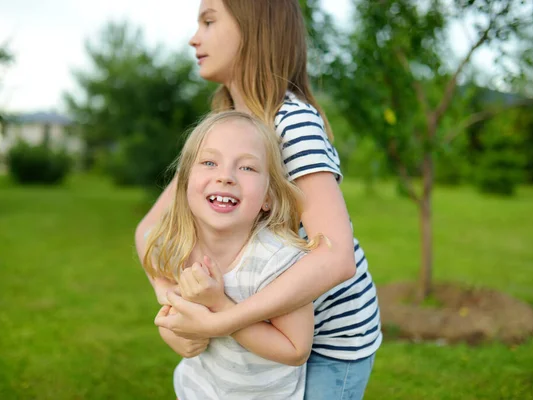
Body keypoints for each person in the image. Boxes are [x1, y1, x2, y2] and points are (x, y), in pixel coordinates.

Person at [135, 1, 382, 398]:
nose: (194, 37)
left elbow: (334, 256)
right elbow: (149, 230)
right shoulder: (228, 127)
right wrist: (175, 308)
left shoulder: (292, 123)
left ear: (255, 29)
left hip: (328, 342)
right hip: (256, 326)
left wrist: (218, 320)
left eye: (209, 21)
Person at [143, 110, 318, 399]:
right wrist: (170, 329)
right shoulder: (179, 243)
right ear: (185, 182)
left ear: (267, 197)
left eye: (247, 168)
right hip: (196, 390)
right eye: (210, 162)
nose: (225, 177)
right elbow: (159, 274)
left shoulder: (278, 260)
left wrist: (219, 306)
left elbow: (296, 349)